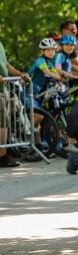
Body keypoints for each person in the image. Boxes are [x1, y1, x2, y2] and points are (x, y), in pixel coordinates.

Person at [0, 40, 29, 168]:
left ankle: (4, 152)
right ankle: (2, 156)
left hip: (3, 88)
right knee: (2, 122)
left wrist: (19, 74)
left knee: (5, 121)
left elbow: (6, 64)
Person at [27, 38, 65, 107]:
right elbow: (47, 72)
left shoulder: (49, 64)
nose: (51, 52)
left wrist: (59, 77)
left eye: (53, 50)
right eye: (48, 50)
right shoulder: (40, 60)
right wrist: (57, 77)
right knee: (39, 117)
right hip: (29, 92)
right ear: (42, 51)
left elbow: (57, 74)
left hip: (38, 92)